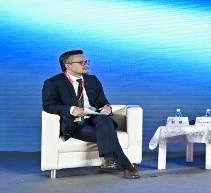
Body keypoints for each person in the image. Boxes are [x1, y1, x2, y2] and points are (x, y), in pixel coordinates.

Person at [42, 50, 139, 179]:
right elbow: (48, 105)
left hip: (95, 118)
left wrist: (107, 107)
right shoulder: (53, 82)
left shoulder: (93, 80)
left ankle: (110, 160)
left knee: (105, 120)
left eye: (86, 62)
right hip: (75, 123)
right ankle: (126, 166)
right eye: (81, 62)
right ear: (68, 66)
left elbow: (103, 101)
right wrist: (71, 109)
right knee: (107, 132)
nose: (86, 65)